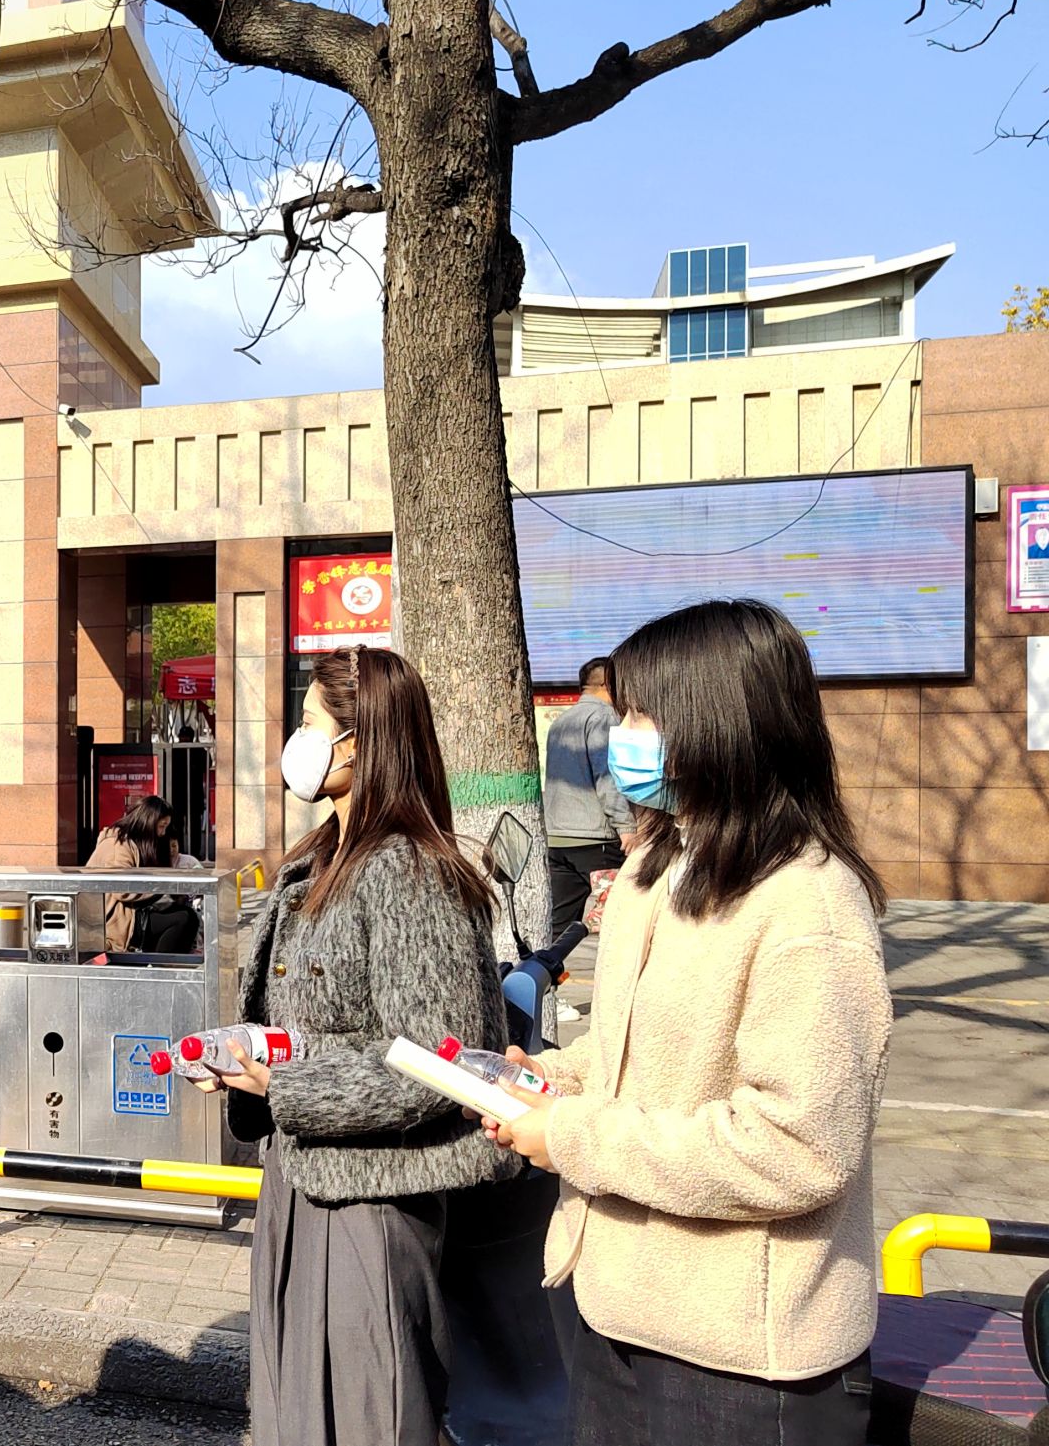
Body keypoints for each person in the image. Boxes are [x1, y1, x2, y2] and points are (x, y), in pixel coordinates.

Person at [486, 599, 892, 1446]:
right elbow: (630, 1048)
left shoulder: (808, 903)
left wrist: (573, 1136)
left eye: (640, 714)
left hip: (742, 1356)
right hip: (610, 1306)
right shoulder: (655, 868)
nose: (620, 737)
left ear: (717, 724)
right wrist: (545, 1079)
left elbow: (797, 1147)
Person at [191, 646, 522, 1446]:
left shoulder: (410, 872)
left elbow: (437, 1059)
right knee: (296, 1414)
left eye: (311, 723)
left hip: (374, 1200)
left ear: (363, 741)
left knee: (371, 1416)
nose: (297, 740)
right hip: (299, 1178)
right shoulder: (321, 855)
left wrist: (283, 1084)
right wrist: (245, 1060)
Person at [542, 656, 636, 943]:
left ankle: (546, 971)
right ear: (609, 685)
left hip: (559, 839)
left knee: (560, 929)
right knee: (620, 924)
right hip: (596, 841)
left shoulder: (561, 722)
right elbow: (607, 776)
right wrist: (626, 826)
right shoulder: (603, 718)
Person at [87, 794, 199, 953]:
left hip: (131, 912)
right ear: (148, 822)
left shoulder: (135, 842)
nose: (162, 833)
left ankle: (160, 962)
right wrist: (163, 887)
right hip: (117, 920)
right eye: (161, 826)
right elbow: (122, 889)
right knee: (184, 918)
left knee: (183, 914)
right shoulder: (118, 845)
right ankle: (161, 965)